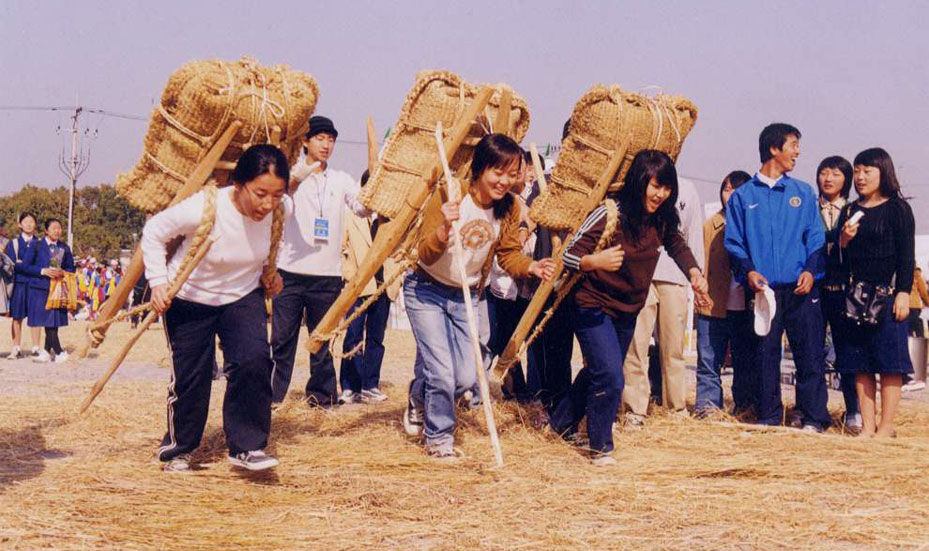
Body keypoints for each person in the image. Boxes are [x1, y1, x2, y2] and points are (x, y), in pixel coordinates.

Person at [552, 150, 711, 465]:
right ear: (640, 182)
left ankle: (557, 424)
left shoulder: (661, 219)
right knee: (612, 375)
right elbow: (568, 255)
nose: (660, 194)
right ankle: (601, 447)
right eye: (655, 186)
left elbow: (677, 244)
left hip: (628, 308)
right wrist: (594, 261)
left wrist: (693, 271)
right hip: (593, 305)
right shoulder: (610, 213)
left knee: (598, 372)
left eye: (666, 188)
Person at [402, 133, 555, 459]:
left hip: (467, 295)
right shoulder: (450, 194)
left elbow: (508, 255)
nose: (505, 181)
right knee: (442, 372)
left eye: (512, 173)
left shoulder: (510, 207)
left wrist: (532, 267)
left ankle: (420, 394)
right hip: (426, 290)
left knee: (468, 378)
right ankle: (440, 440)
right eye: (498, 172)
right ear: (480, 168)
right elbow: (425, 254)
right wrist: (444, 227)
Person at [142, 144, 290, 472]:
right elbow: (153, 233)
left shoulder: (282, 210)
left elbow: (275, 241)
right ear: (239, 184)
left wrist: (273, 273)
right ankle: (179, 449)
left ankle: (247, 446)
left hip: (241, 295)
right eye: (260, 193)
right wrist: (158, 283)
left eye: (277, 195)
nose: (268, 204)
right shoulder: (204, 207)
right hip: (190, 298)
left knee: (253, 362)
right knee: (192, 376)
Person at [724, 123, 831, 432]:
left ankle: (813, 418)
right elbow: (734, 243)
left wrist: (811, 270)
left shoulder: (802, 192)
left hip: (801, 289)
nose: (798, 151)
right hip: (764, 292)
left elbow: (816, 238)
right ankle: (770, 417)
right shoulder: (744, 197)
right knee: (765, 356)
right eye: (793, 144)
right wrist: (749, 272)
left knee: (810, 354)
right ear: (774, 148)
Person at [271, 115, 369, 407]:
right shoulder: (290, 174)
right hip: (289, 272)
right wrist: (292, 183)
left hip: (326, 275)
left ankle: (323, 395)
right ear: (305, 141)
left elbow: (362, 207)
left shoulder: (340, 180)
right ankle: (272, 396)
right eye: (320, 138)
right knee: (282, 340)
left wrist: (377, 189)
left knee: (323, 340)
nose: (326, 145)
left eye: (331, 139)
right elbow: (275, 203)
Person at [836, 147, 914, 438]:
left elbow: (906, 256)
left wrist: (904, 292)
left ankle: (886, 427)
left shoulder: (898, 209)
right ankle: (867, 427)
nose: (860, 177)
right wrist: (843, 241)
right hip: (857, 297)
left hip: (889, 294)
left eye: (867, 170)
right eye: (857, 171)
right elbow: (840, 260)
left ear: (884, 172)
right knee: (861, 363)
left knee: (890, 364)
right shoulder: (849, 210)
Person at [621, 174, 704, 426]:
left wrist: (697, 277)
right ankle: (634, 409)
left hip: (674, 277)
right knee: (636, 346)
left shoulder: (687, 188)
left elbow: (691, 236)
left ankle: (675, 408)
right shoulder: (637, 185)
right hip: (640, 276)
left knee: (674, 348)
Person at [695, 170, 759, 415]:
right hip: (714, 303)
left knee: (745, 360)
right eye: (726, 189)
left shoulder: (755, 225)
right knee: (709, 360)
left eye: (736, 189)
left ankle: (744, 406)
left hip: (745, 306)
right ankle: (708, 407)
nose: (730, 194)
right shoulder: (710, 225)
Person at [338, 170, 402, 404]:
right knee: (353, 335)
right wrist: (349, 276)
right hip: (358, 286)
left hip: (384, 286)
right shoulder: (350, 216)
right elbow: (341, 247)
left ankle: (370, 385)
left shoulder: (393, 219)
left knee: (376, 337)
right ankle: (349, 386)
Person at [815, 155, 861, 430]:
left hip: (845, 293)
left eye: (836, 173)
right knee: (811, 352)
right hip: (814, 290)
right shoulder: (807, 209)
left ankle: (854, 410)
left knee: (848, 352)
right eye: (824, 172)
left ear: (847, 180)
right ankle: (811, 409)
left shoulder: (855, 211)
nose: (828, 178)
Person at [21, 218, 75, 363]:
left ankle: (45, 351)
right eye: (53, 228)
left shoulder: (64, 247)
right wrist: (43, 271)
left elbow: (71, 267)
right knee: (47, 320)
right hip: (39, 288)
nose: (57, 231)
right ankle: (58, 351)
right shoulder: (36, 245)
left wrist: (63, 272)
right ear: (46, 230)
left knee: (53, 320)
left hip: (57, 288)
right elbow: (24, 266)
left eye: (59, 228)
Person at [5, 212, 42, 359]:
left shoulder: (40, 243)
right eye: (25, 221)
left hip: (35, 283)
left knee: (36, 316)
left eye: (31, 221)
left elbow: (41, 263)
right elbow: (12, 264)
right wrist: (27, 266)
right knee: (17, 316)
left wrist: (23, 265)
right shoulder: (13, 243)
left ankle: (36, 347)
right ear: (19, 224)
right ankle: (16, 347)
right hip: (18, 284)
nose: (28, 224)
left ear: (35, 225)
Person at [902, 267, 929, 392]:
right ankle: (919, 369)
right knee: (919, 337)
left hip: (903, 306)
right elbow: (923, 292)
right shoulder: (916, 273)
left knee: (905, 337)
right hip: (915, 308)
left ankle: (908, 369)